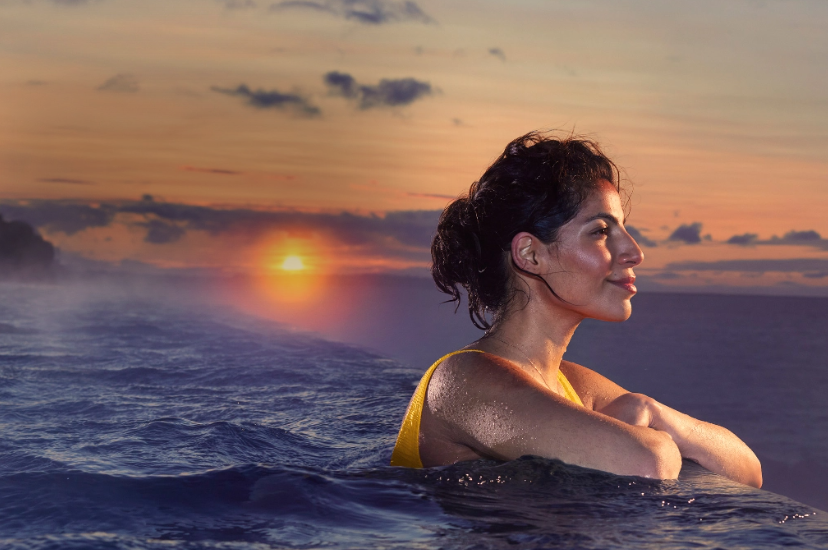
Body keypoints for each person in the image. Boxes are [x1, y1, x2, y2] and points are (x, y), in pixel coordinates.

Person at [391, 131, 762, 488]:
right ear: (530, 255)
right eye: (601, 231)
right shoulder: (462, 380)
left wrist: (652, 410)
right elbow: (647, 463)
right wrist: (651, 432)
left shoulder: (571, 385)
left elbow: (748, 470)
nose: (635, 252)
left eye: (623, 229)